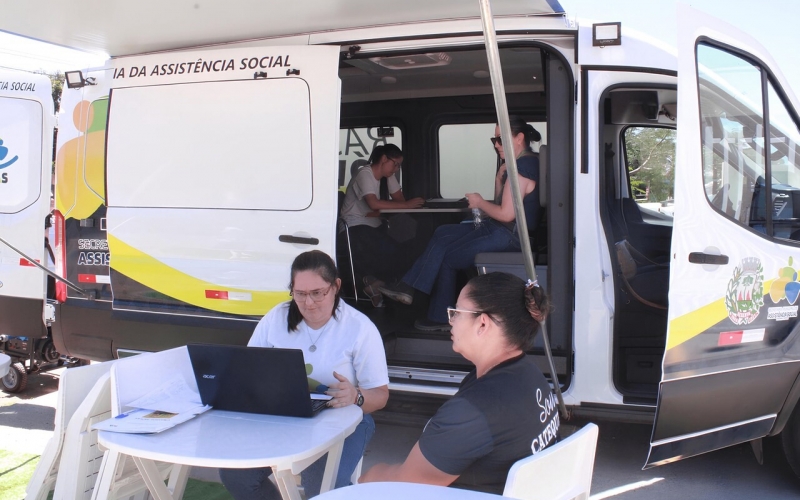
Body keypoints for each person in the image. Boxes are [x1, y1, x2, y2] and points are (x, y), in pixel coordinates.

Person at [361, 272, 559, 494]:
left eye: (456, 312)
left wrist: (366, 478)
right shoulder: (531, 375)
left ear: (482, 324)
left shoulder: (472, 411)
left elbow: (403, 485)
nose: (451, 320)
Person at [219, 250, 390, 500]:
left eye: (317, 293)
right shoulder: (276, 318)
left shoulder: (359, 328)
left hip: (345, 420)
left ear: (335, 286)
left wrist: (356, 396)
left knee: (323, 485)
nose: (308, 303)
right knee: (236, 474)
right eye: (300, 294)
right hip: (284, 417)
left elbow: (381, 396)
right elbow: (249, 369)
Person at [379, 117, 541, 330]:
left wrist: (479, 202)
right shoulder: (524, 163)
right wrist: (498, 180)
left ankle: (439, 318)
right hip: (504, 230)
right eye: (494, 140)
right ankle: (408, 288)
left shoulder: (521, 167)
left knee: (449, 257)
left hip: (509, 235)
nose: (496, 145)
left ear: (519, 138)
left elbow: (506, 214)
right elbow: (504, 203)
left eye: (501, 140)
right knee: (443, 232)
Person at [340, 144, 424, 305]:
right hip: (354, 227)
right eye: (395, 164)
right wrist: (406, 205)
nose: (396, 169)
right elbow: (373, 204)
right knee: (392, 251)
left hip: (374, 225)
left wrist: (405, 203)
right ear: (384, 159)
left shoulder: (387, 176)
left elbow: (399, 199)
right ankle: (379, 283)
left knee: (410, 248)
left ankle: (377, 284)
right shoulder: (364, 173)